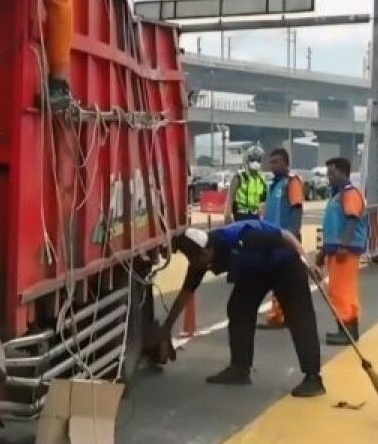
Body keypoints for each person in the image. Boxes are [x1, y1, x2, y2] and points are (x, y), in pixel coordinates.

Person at [149, 222, 325, 397]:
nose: (199, 266)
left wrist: (308, 263)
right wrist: (167, 327)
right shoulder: (199, 259)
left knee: (299, 316)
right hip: (255, 270)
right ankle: (240, 368)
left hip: (284, 263)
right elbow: (186, 293)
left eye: (199, 260)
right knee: (238, 308)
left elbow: (286, 235)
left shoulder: (243, 237)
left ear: (209, 250)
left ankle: (313, 378)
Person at [318, 157, 368, 345]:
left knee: (340, 290)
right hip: (337, 250)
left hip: (344, 251)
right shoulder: (338, 194)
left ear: (343, 172)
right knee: (342, 289)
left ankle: (346, 332)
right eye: (328, 173)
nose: (329, 176)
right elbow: (334, 225)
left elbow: (352, 220)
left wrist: (343, 246)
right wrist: (324, 251)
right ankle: (349, 329)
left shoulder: (349, 193)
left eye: (332, 172)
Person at [258, 148, 305, 329]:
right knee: (278, 278)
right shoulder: (274, 184)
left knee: (284, 278)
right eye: (271, 162)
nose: (273, 165)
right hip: (273, 239)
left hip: (285, 239)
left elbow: (297, 208)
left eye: (276, 161)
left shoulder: (291, 183)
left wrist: (293, 233)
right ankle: (278, 315)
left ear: (286, 163)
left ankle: (283, 316)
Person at [224, 144, 266, 222]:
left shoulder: (261, 178)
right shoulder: (239, 177)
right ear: (247, 160)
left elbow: (262, 200)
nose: (256, 162)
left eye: (258, 160)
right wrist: (227, 214)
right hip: (241, 215)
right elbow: (230, 197)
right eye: (253, 159)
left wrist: (263, 215)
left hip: (256, 216)